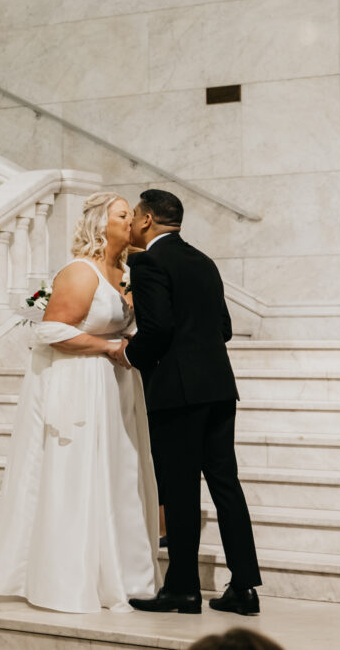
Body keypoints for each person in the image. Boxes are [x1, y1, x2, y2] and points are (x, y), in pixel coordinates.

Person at [0, 192, 159, 612]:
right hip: (80, 382)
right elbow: (49, 331)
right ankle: (68, 578)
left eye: (131, 215)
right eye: (122, 215)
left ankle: (125, 574)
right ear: (101, 223)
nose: (131, 221)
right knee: (79, 474)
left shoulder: (126, 271)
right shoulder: (80, 272)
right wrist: (109, 347)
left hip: (115, 385)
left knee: (118, 474)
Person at [119, 189, 262, 615]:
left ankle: (182, 588)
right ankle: (244, 588)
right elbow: (224, 327)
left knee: (179, 490)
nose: (130, 225)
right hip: (219, 387)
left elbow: (158, 329)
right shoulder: (203, 260)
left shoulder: (147, 262)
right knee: (225, 485)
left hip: (177, 393)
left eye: (134, 217)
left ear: (146, 220)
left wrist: (129, 354)